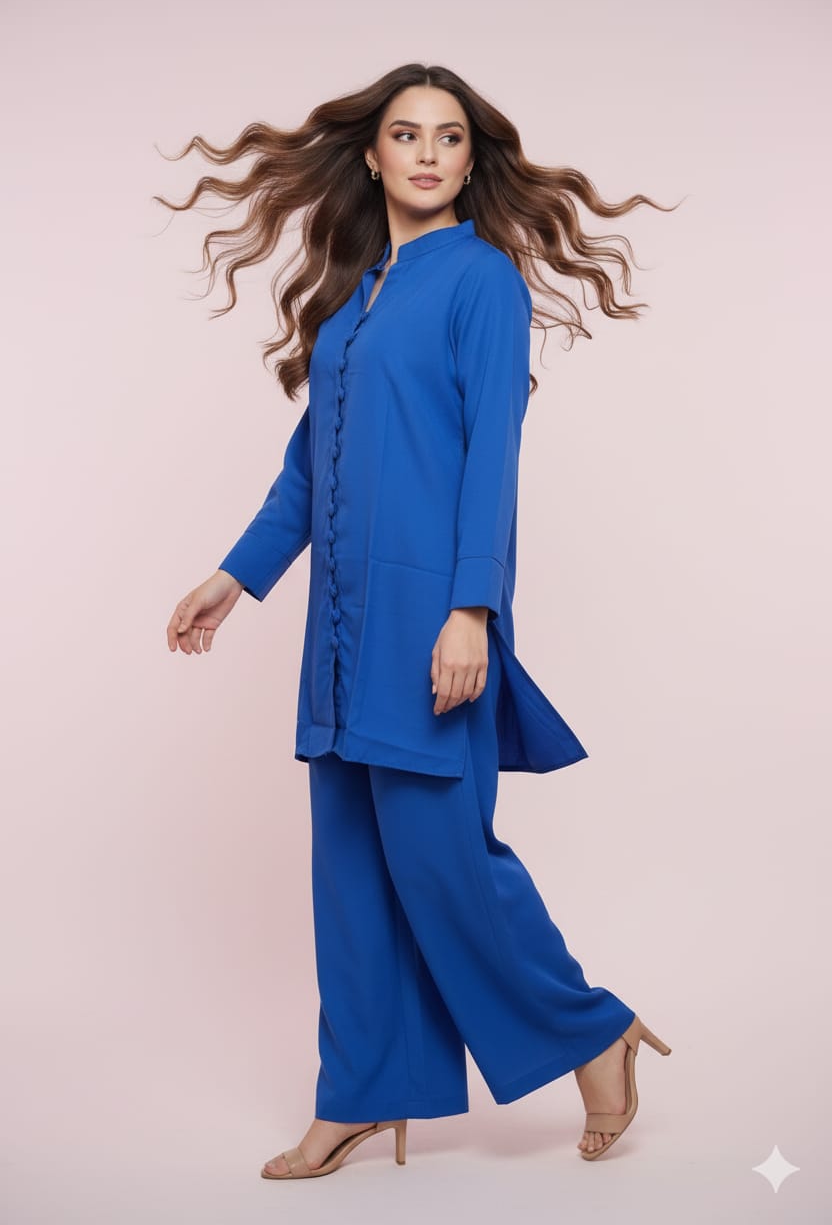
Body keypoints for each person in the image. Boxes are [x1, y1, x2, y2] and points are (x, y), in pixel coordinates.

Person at [162, 64, 675, 1178]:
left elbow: (493, 455)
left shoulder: (481, 283)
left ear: (470, 161)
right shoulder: (353, 298)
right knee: (350, 876)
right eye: (407, 134)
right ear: (372, 155)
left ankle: (593, 1031)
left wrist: (471, 611)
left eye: (449, 137)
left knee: (446, 863)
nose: (429, 153)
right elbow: (310, 467)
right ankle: (360, 1092)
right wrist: (233, 577)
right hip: (339, 639)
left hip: (431, 622)